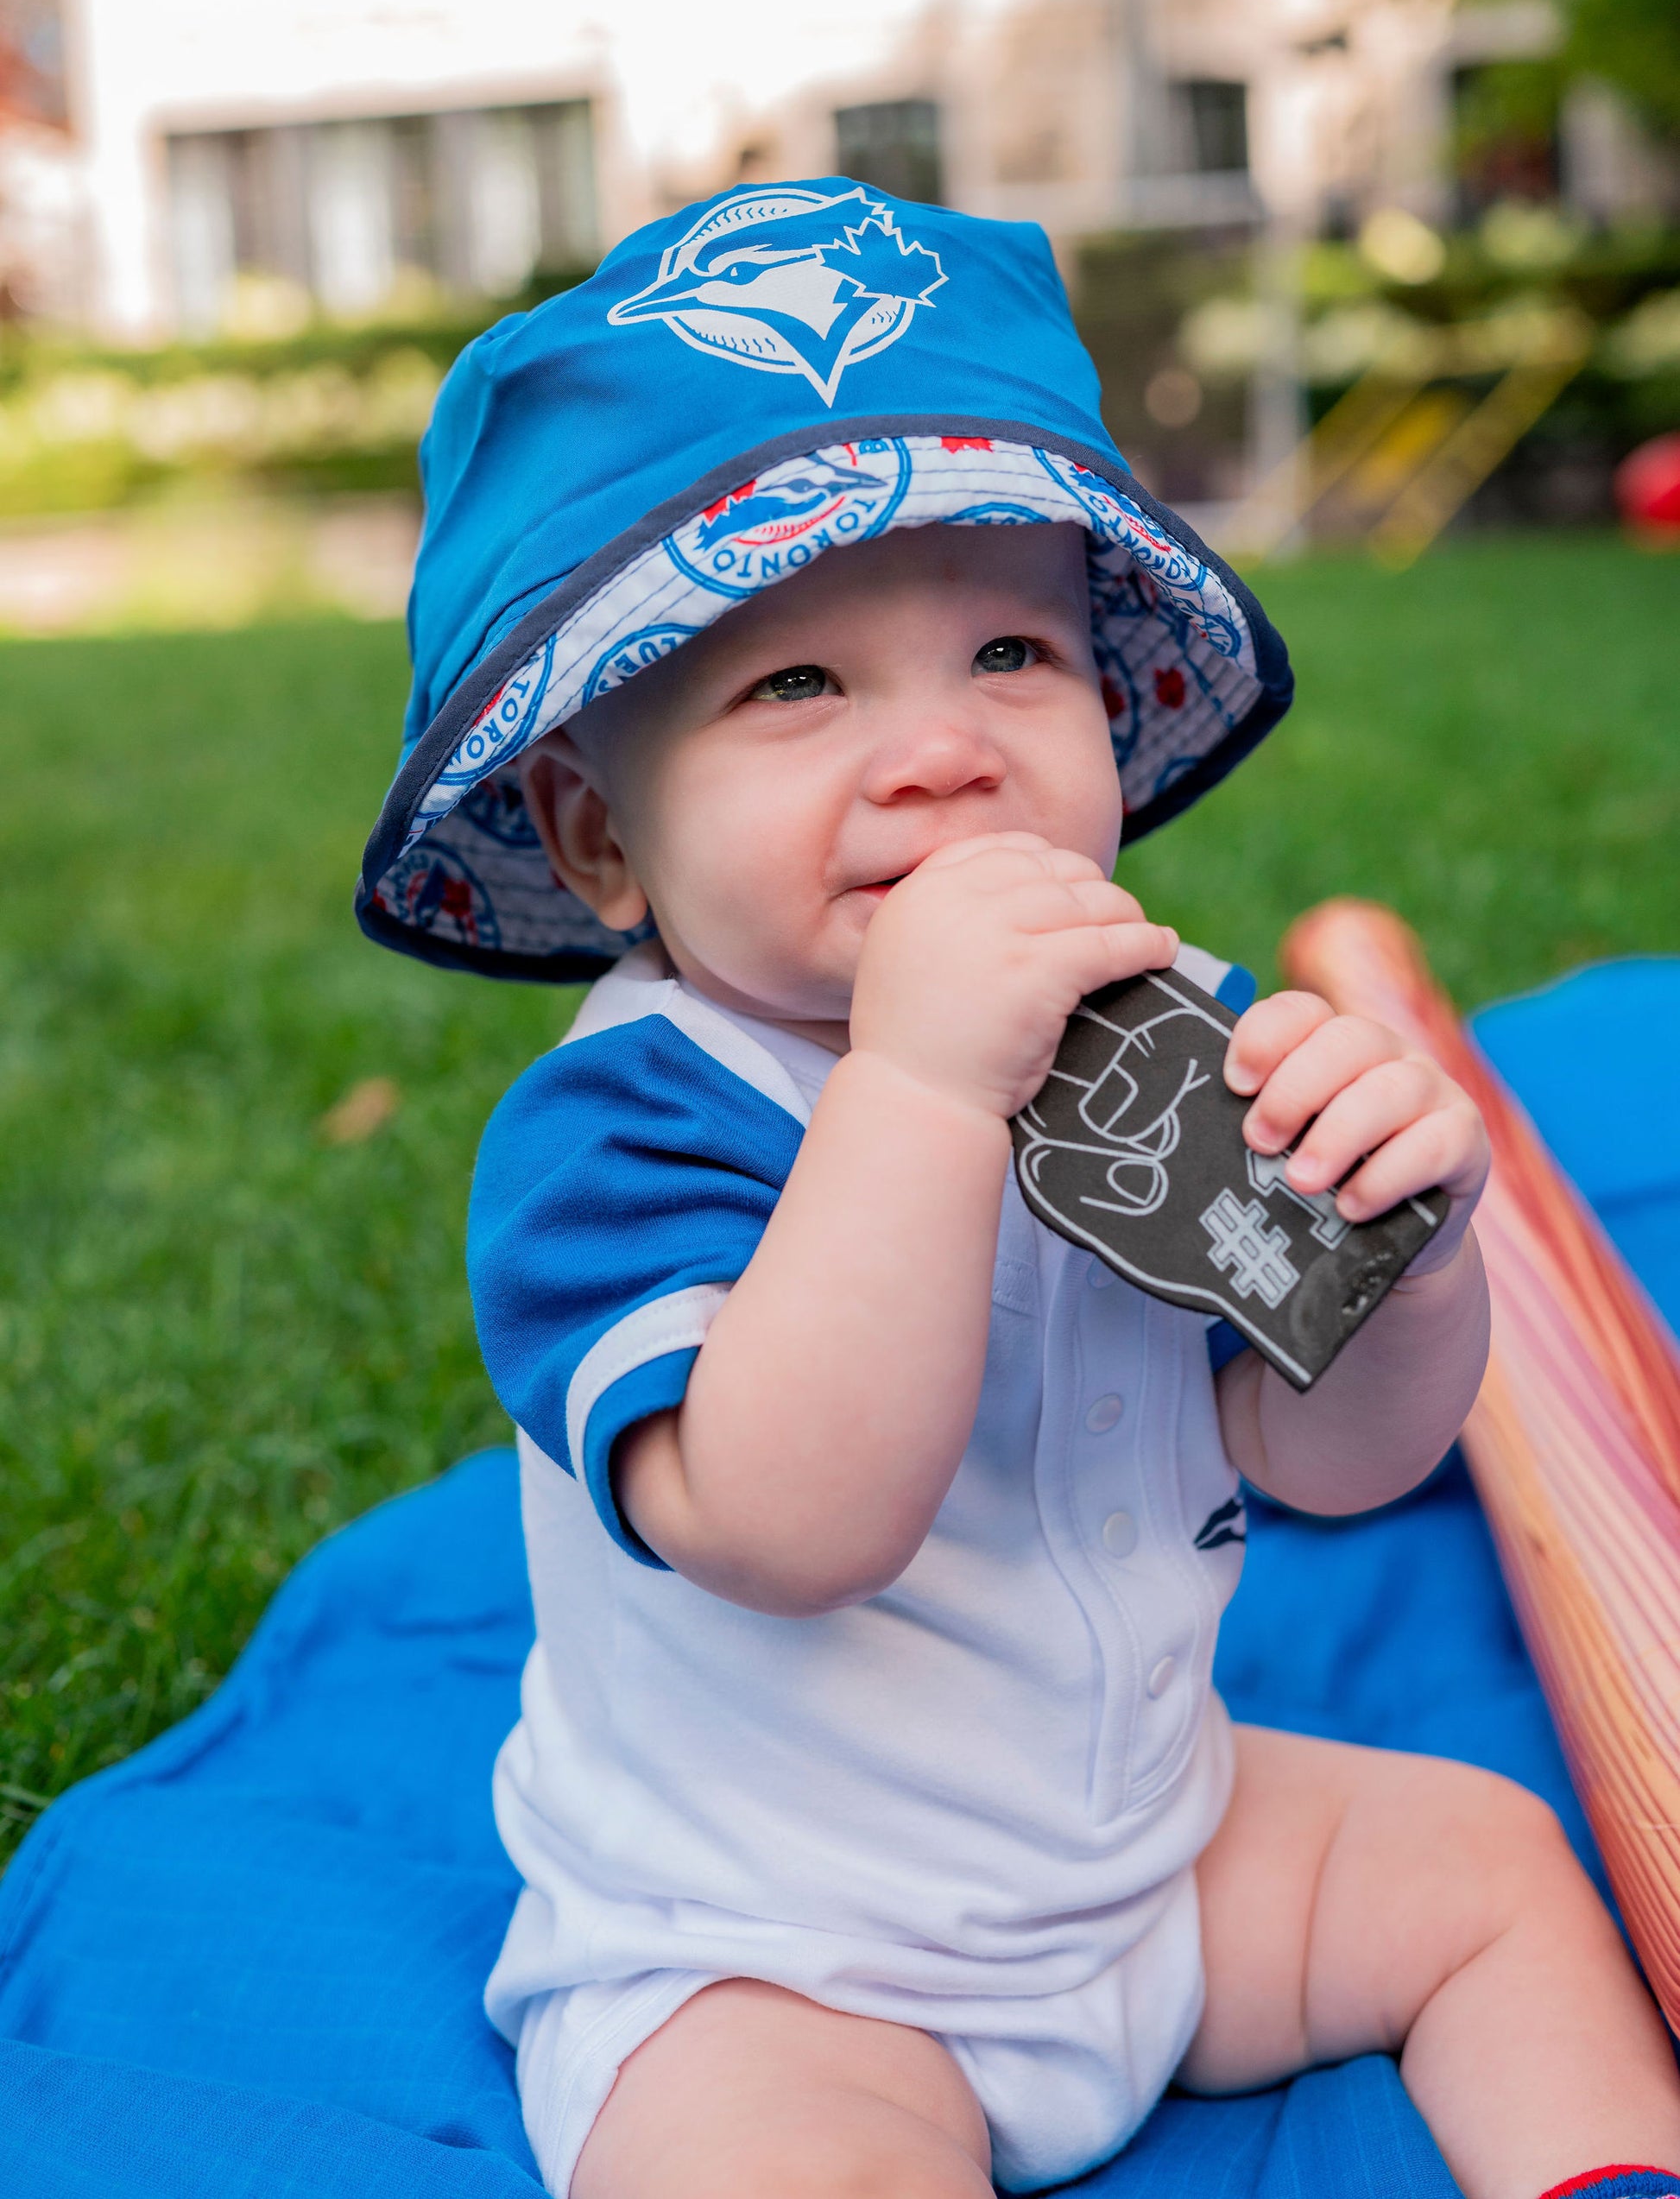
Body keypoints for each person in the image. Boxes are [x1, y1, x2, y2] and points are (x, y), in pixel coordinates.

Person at [357, 180, 1680, 2199]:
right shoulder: (626, 1129)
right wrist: (913, 1083)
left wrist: (1401, 1271)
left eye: (1007, 648)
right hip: (781, 1958)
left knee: (1491, 1863)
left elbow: (1320, 1458)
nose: (944, 751)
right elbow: (787, 1520)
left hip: (1149, 1854)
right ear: (595, 839)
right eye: (797, 687)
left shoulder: (1161, 1026)